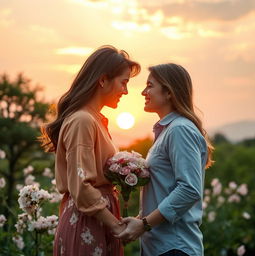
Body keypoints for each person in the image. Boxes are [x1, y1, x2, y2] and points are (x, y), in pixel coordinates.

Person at [40, 45, 140, 256]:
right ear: (103, 80)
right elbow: (81, 184)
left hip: (98, 219)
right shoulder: (82, 120)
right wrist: (116, 225)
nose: (126, 91)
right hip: (86, 222)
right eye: (124, 82)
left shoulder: (94, 119)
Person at [116, 63, 214, 256]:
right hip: (161, 247)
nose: (144, 91)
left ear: (169, 92)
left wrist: (144, 224)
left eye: (150, 85)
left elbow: (188, 190)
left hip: (175, 247)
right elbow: (164, 189)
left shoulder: (179, 130)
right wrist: (139, 220)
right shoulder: (167, 131)